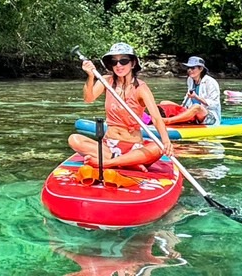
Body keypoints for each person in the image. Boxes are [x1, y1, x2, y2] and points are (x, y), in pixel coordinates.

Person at [68, 43, 174, 179]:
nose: (118, 65)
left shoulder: (141, 88)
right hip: (109, 145)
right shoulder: (106, 81)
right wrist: (90, 76)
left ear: (133, 63)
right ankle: (126, 163)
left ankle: (109, 163)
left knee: (158, 147)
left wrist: (166, 141)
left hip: (133, 147)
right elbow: (88, 98)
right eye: (114, 61)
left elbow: (156, 117)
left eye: (123, 61)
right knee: (74, 139)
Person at [162, 56, 222, 126]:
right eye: (188, 68)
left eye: (193, 68)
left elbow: (215, 104)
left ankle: (169, 121)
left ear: (201, 69)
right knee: (164, 102)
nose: (189, 70)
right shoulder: (190, 80)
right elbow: (187, 97)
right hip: (192, 112)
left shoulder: (210, 82)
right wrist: (181, 107)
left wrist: (196, 97)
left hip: (210, 117)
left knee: (196, 106)